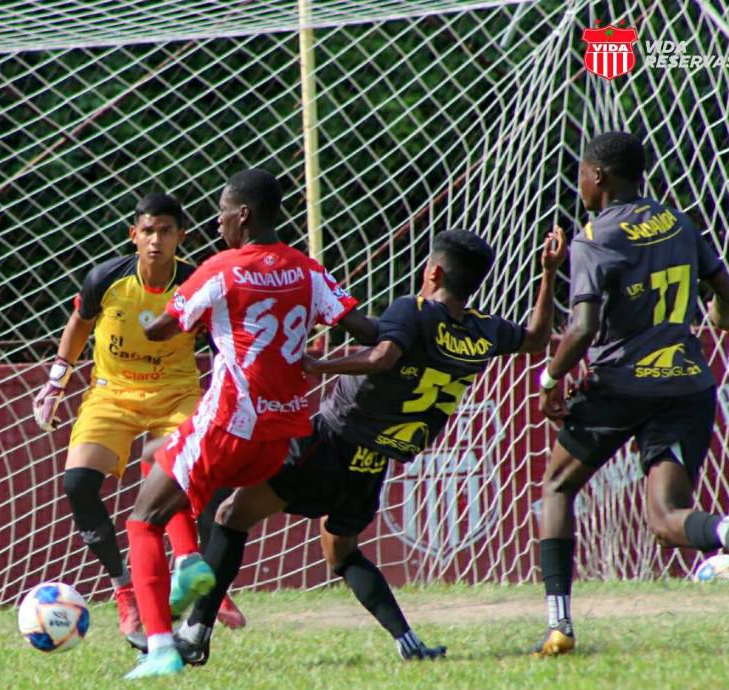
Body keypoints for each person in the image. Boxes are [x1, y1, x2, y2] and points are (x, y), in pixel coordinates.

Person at [173, 227, 562, 665]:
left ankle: (194, 633)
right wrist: (547, 275)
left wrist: (319, 365)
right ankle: (407, 641)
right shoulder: (483, 332)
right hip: (374, 462)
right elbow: (536, 339)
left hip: (331, 443)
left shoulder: (411, 311)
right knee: (340, 550)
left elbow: (382, 358)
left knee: (230, 515)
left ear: (433, 270)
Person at [122, 167, 379, 678]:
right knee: (164, 459)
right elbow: (364, 327)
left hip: (229, 424)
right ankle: (191, 563)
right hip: (280, 438)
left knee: (142, 518)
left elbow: (161, 330)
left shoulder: (222, 269)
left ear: (243, 214)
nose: (218, 225)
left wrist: (149, 319)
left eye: (221, 215)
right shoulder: (308, 271)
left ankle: (161, 650)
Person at [533, 131, 729, 656]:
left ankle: (559, 625)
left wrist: (550, 381)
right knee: (666, 520)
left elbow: (583, 327)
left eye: (582, 174)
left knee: (556, 488)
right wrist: (717, 319)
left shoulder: (595, 236)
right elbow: (728, 299)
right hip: (687, 385)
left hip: (621, 385)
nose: (580, 184)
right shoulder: (680, 222)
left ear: (598, 177)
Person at [32, 193, 245, 646]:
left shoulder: (196, 282)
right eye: (148, 231)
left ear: (180, 237)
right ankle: (124, 586)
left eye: (166, 231)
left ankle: (203, 579)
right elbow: (79, 323)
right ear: (134, 235)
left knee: (192, 480)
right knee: (77, 484)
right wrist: (56, 381)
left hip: (176, 396)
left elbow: (225, 339)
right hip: (112, 395)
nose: (156, 240)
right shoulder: (105, 279)